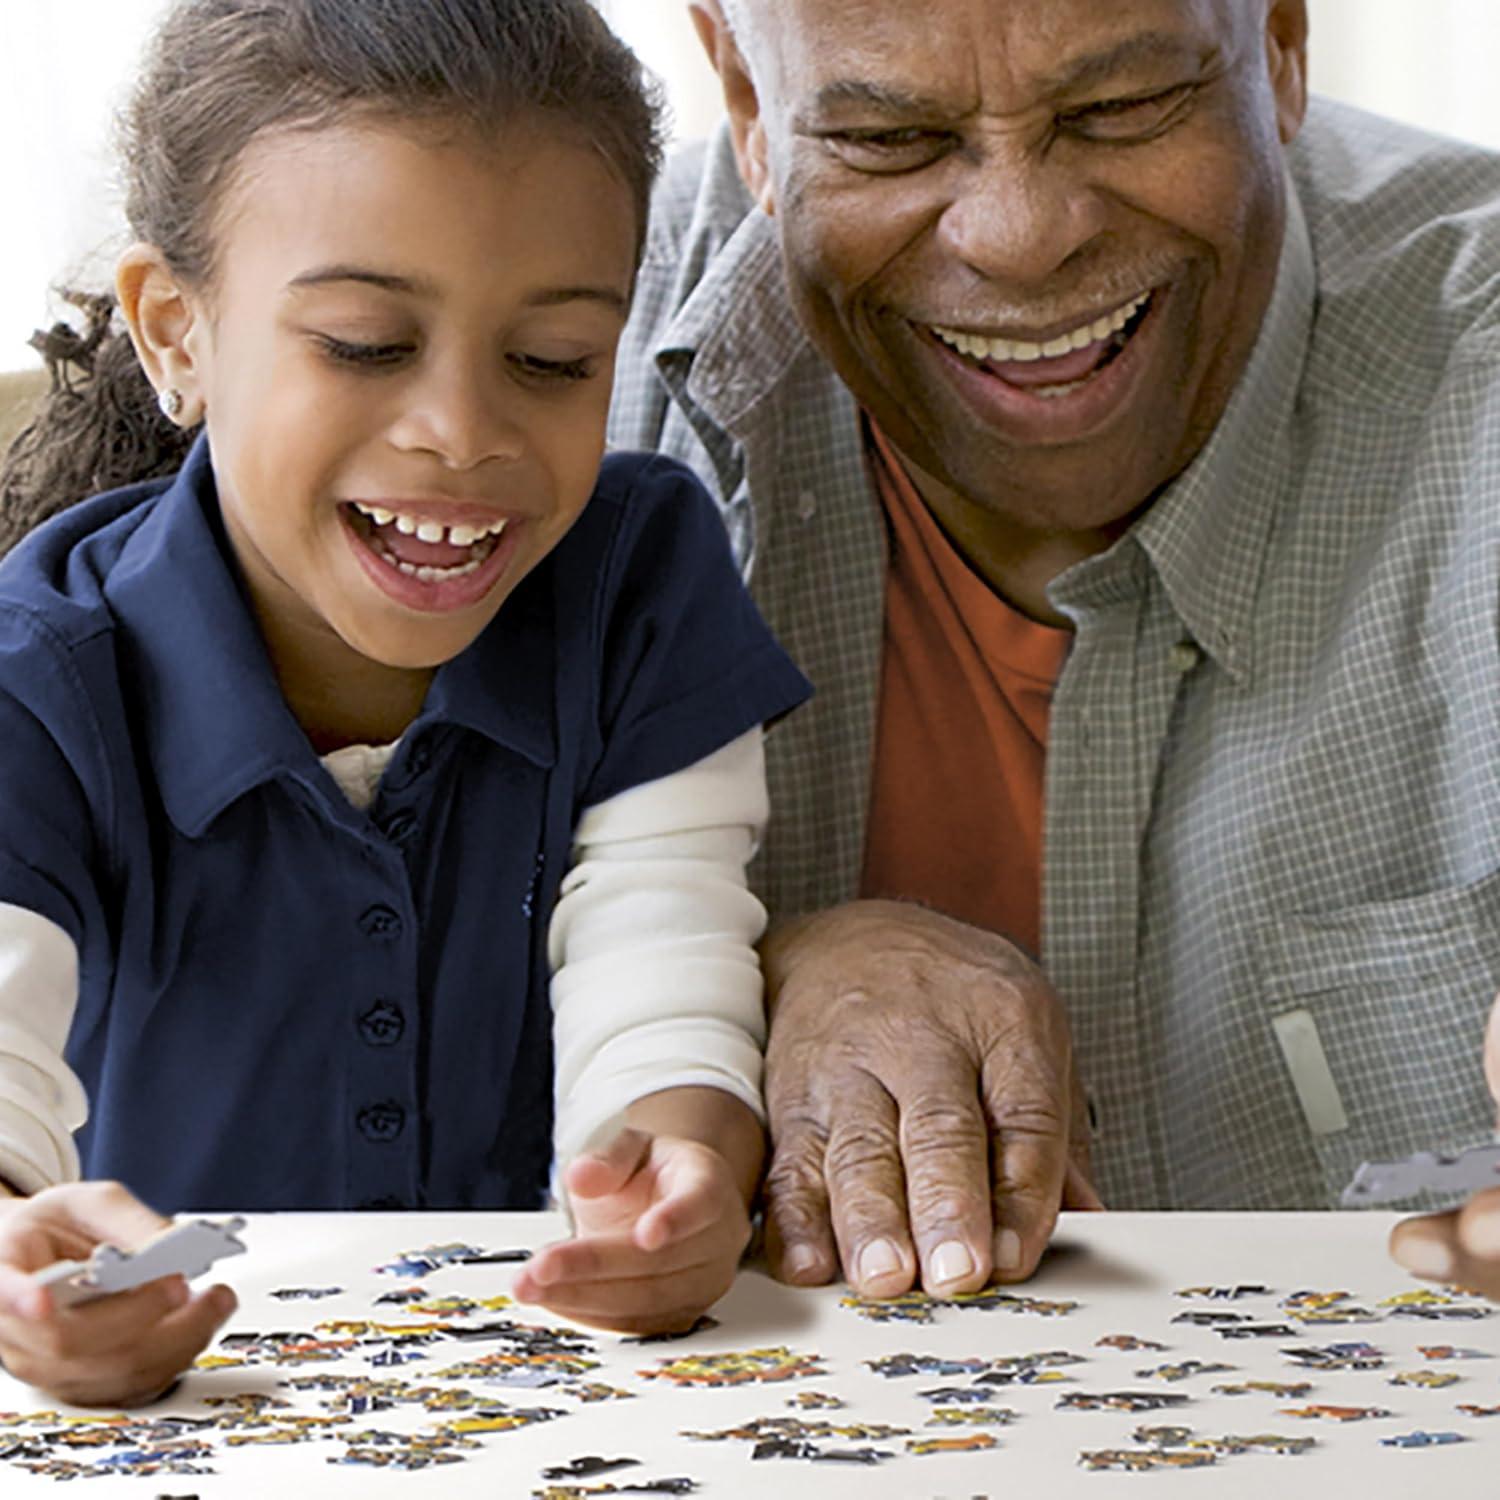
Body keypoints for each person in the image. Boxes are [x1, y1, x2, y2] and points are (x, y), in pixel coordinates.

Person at [608, 0, 1500, 1301]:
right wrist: (735, 970)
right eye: (888, 136)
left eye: (1124, 110)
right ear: (744, 96)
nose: (1020, 240)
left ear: (1286, 43)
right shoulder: (525, 364)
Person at [0, 0, 809, 1406]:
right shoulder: (38, 675)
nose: (463, 429)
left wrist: (680, 1171)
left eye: (553, 360)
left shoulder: (639, 589)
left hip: (568, 1407)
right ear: (177, 335)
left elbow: (664, 949)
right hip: (199, 1419)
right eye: (367, 343)